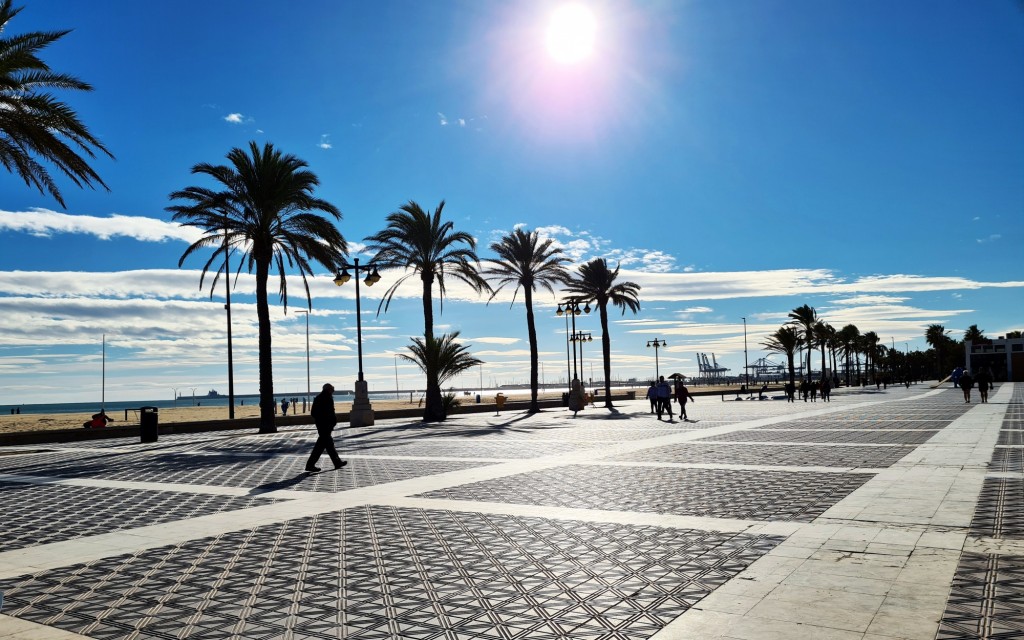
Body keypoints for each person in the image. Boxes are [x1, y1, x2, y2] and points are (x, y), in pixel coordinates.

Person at [305, 383, 347, 472]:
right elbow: (329, 412)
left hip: (323, 425)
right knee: (321, 446)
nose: (333, 391)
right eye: (332, 389)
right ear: (329, 389)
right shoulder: (326, 398)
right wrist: (328, 421)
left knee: (328, 445)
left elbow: (313, 413)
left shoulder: (319, 398)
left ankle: (337, 462)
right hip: (325, 426)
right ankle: (310, 464)